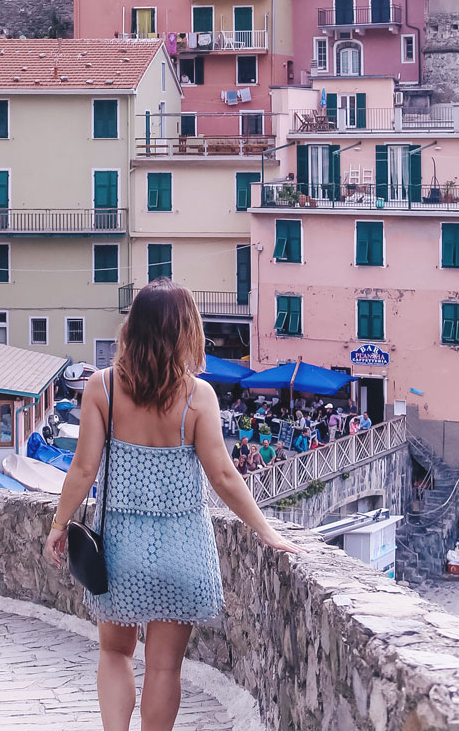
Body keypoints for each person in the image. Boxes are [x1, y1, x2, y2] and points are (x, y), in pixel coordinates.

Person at [45, 281, 301, 731]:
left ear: (133, 328)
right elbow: (223, 476)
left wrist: (58, 524)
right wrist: (267, 531)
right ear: (186, 330)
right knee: (165, 669)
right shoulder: (198, 397)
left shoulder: (101, 389)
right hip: (182, 549)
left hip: (119, 550)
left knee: (114, 652)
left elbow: (83, 470)